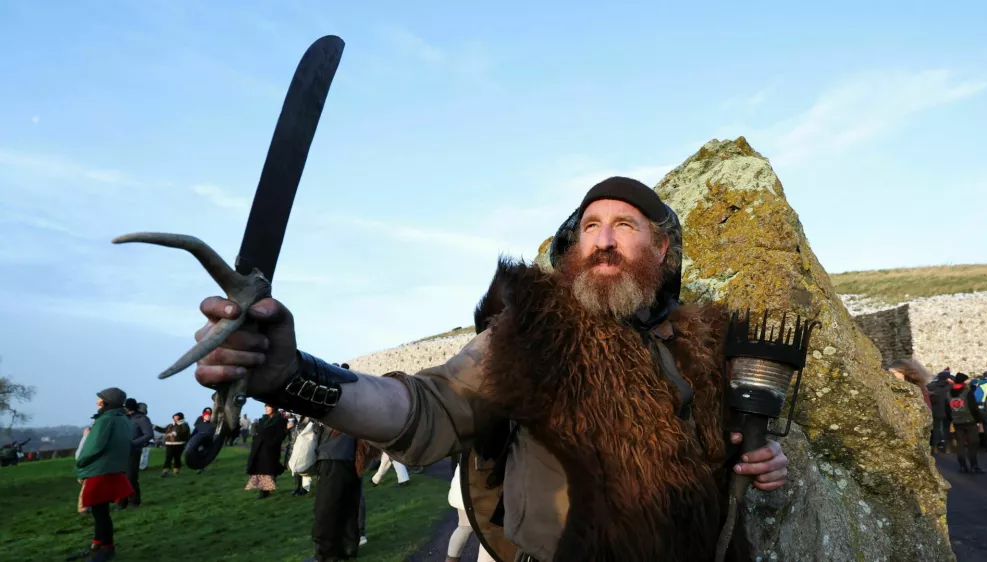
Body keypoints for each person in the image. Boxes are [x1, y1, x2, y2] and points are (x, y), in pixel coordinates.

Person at [191, 177, 789, 561]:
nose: (603, 240)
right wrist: (295, 375)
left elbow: (727, 455)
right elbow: (427, 406)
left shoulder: (704, 344)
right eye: (590, 227)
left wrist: (761, 461)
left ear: (661, 249)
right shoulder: (533, 331)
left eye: (625, 226)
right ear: (572, 249)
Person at [66, 388, 134, 561]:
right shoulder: (124, 419)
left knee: (100, 513)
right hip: (113, 469)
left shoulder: (105, 420)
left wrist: (80, 461)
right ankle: (97, 544)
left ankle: (107, 548)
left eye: (100, 399)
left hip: (99, 471)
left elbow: (94, 446)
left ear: (107, 402)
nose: (97, 402)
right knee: (100, 511)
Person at [305, 422, 377, 562]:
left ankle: (326, 554)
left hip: (333, 453)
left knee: (326, 508)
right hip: (355, 455)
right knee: (349, 505)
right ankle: (348, 548)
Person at [245, 404, 288, 499]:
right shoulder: (263, 419)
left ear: (274, 408)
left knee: (269, 468)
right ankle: (264, 490)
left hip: (271, 448)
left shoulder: (279, 420)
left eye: (268, 407)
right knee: (261, 469)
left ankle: (265, 490)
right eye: (265, 407)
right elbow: (258, 432)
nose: (266, 409)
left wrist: (272, 442)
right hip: (260, 447)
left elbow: (280, 435)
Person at [118, 398, 153, 509]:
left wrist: (133, 443)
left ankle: (134, 502)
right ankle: (122, 503)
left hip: (133, 451)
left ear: (128, 407)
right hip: (121, 451)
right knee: (120, 478)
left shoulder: (141, 419)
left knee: (131, 477)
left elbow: (148, 434)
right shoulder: (123, 418)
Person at [948, 373, 985, 473]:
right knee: (973, 443)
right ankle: (974, 465)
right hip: (970, 420)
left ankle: (962, 466)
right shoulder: (967, 392)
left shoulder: (949, 393)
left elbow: (947, 409)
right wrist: (978, 420)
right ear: (964, 381)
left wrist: (952, 419)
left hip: (957, 421)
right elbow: (973, 408)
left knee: (960, 444)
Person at [153, 412, 191, 477]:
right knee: (168, 457)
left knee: (177, 458)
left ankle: (176, 471)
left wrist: (174, 433)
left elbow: (183, 433)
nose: (175, 418)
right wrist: (154, 427)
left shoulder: (184, 425)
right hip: (169, 443)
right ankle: (165, 471)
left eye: (176, 416)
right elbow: (163, 430)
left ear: (180, 417)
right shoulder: (170, 425)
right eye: (174, 416)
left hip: (179, 444)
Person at [926, 370, 953, 452]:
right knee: (946, 428)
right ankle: (947, 447)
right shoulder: (949, 387)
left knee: (936, 428)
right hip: (948, 410)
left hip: (935, 410)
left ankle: (935, 446)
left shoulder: (931, 386)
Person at [136, 403, 151, 470]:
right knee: (144, 453)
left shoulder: (132, 417)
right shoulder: (144, 418)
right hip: (141, 438)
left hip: (138, 438)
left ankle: (141, 466)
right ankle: (142, 466)